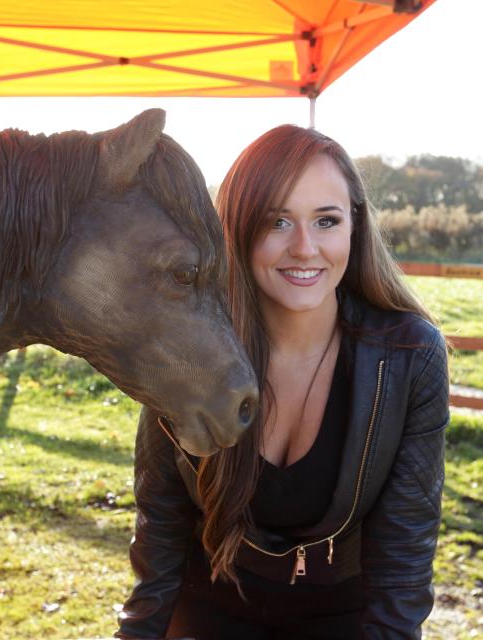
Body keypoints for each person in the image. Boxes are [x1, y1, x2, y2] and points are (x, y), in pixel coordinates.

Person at [115, 124, 449, 640]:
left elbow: (403, 560)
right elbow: (161, 521)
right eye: (277, 221)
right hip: (207, 605)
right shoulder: (187, 346)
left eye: (326, 220)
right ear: (239, 229)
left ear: (353, 228)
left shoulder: (408, 355)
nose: (304, 247)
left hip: (344, 617)